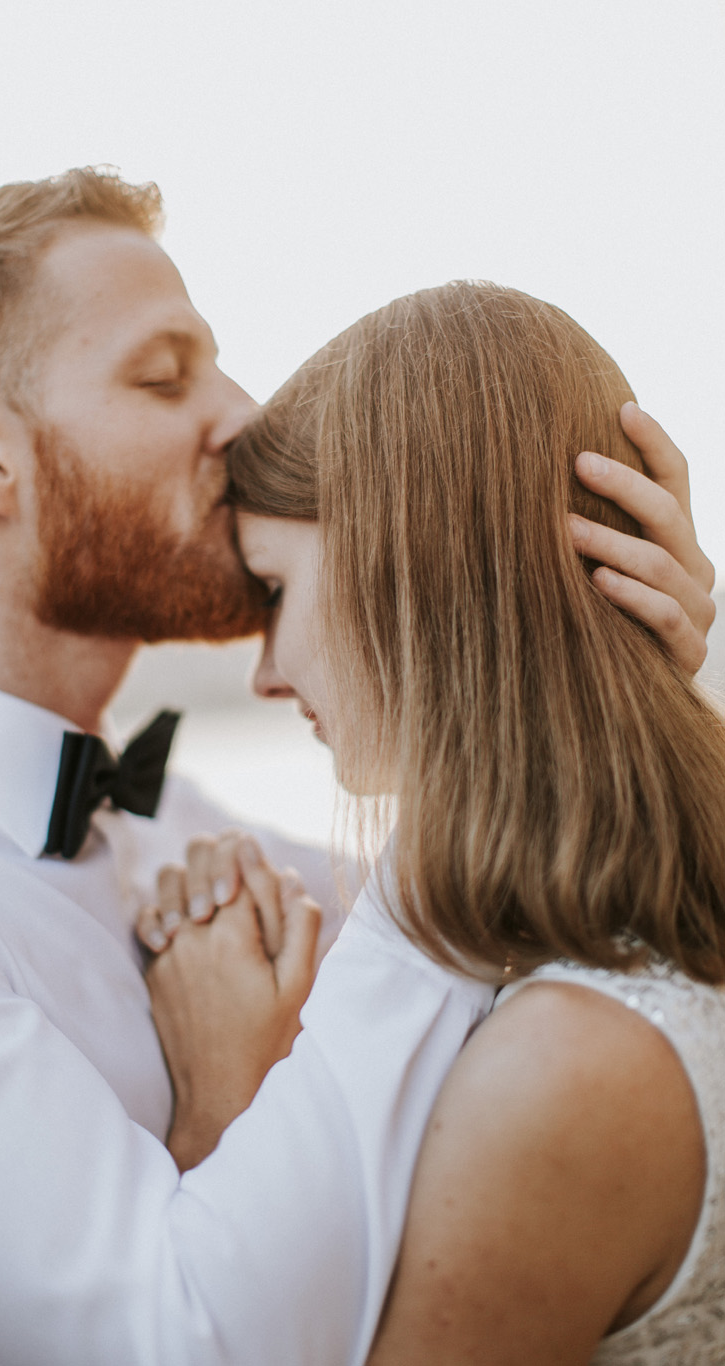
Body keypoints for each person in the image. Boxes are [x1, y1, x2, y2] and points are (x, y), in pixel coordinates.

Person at [0, 163, 714, 1363]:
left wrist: (621, 661)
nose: (238, 415)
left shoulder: (198, 840)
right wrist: (226, 1103)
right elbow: (183, 1336)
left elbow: (572, 929)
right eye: (161, 375)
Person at [141, 281, 725, 1363]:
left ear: (405, 563)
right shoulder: (582, 949)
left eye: (272, 590)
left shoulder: (567, 1068)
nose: (264, 672)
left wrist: (225, 1114)